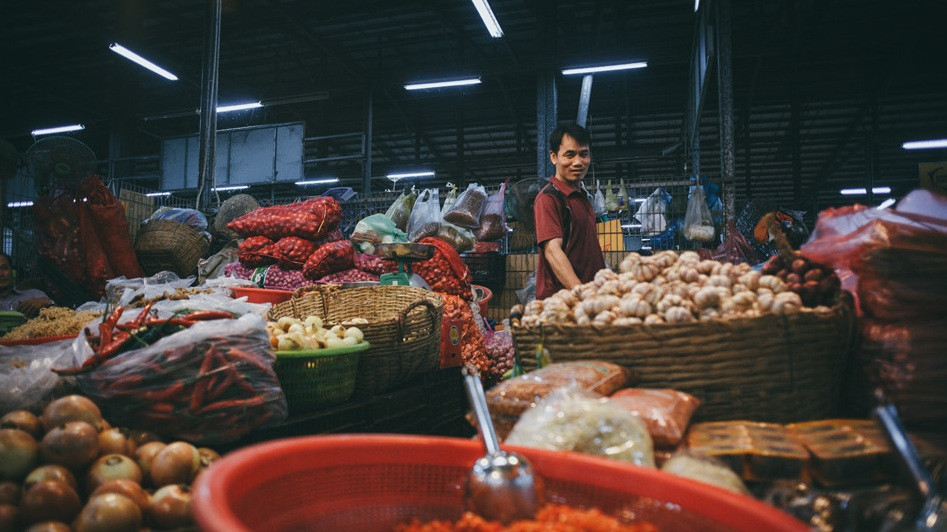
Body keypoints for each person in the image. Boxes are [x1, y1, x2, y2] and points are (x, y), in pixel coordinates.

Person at [533, 124, 606, 300]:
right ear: (553, 157)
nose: (578, 162)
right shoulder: (549, 198)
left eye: (584, 154)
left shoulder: (581, 197)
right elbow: (552, 251)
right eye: (569, 155)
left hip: (586, 300)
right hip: (563, 303)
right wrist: (583, 293)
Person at [0, 253, 54, 317]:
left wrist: (48, 303)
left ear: (12, 271)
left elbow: (62, 316)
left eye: (5, 268)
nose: (1, 274)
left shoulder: (35, 295)